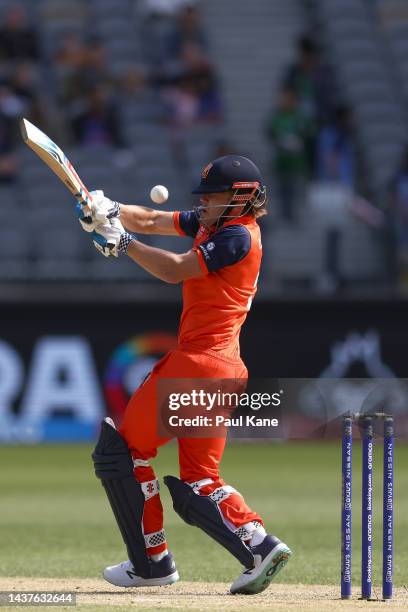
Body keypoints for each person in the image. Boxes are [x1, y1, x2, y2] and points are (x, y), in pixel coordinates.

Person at [76, 155, 292, 594]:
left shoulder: (236, 237)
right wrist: (108, 208)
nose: (204, 204)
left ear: (240, 198)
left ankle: (151, 562)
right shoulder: (215, 223)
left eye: (211, 197)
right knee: (200, 480)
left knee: (121, 452)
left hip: (197, 364)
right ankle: (259, 544)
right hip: (225, 369)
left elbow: (175, 270)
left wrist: (124, 245)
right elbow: (154, 218)